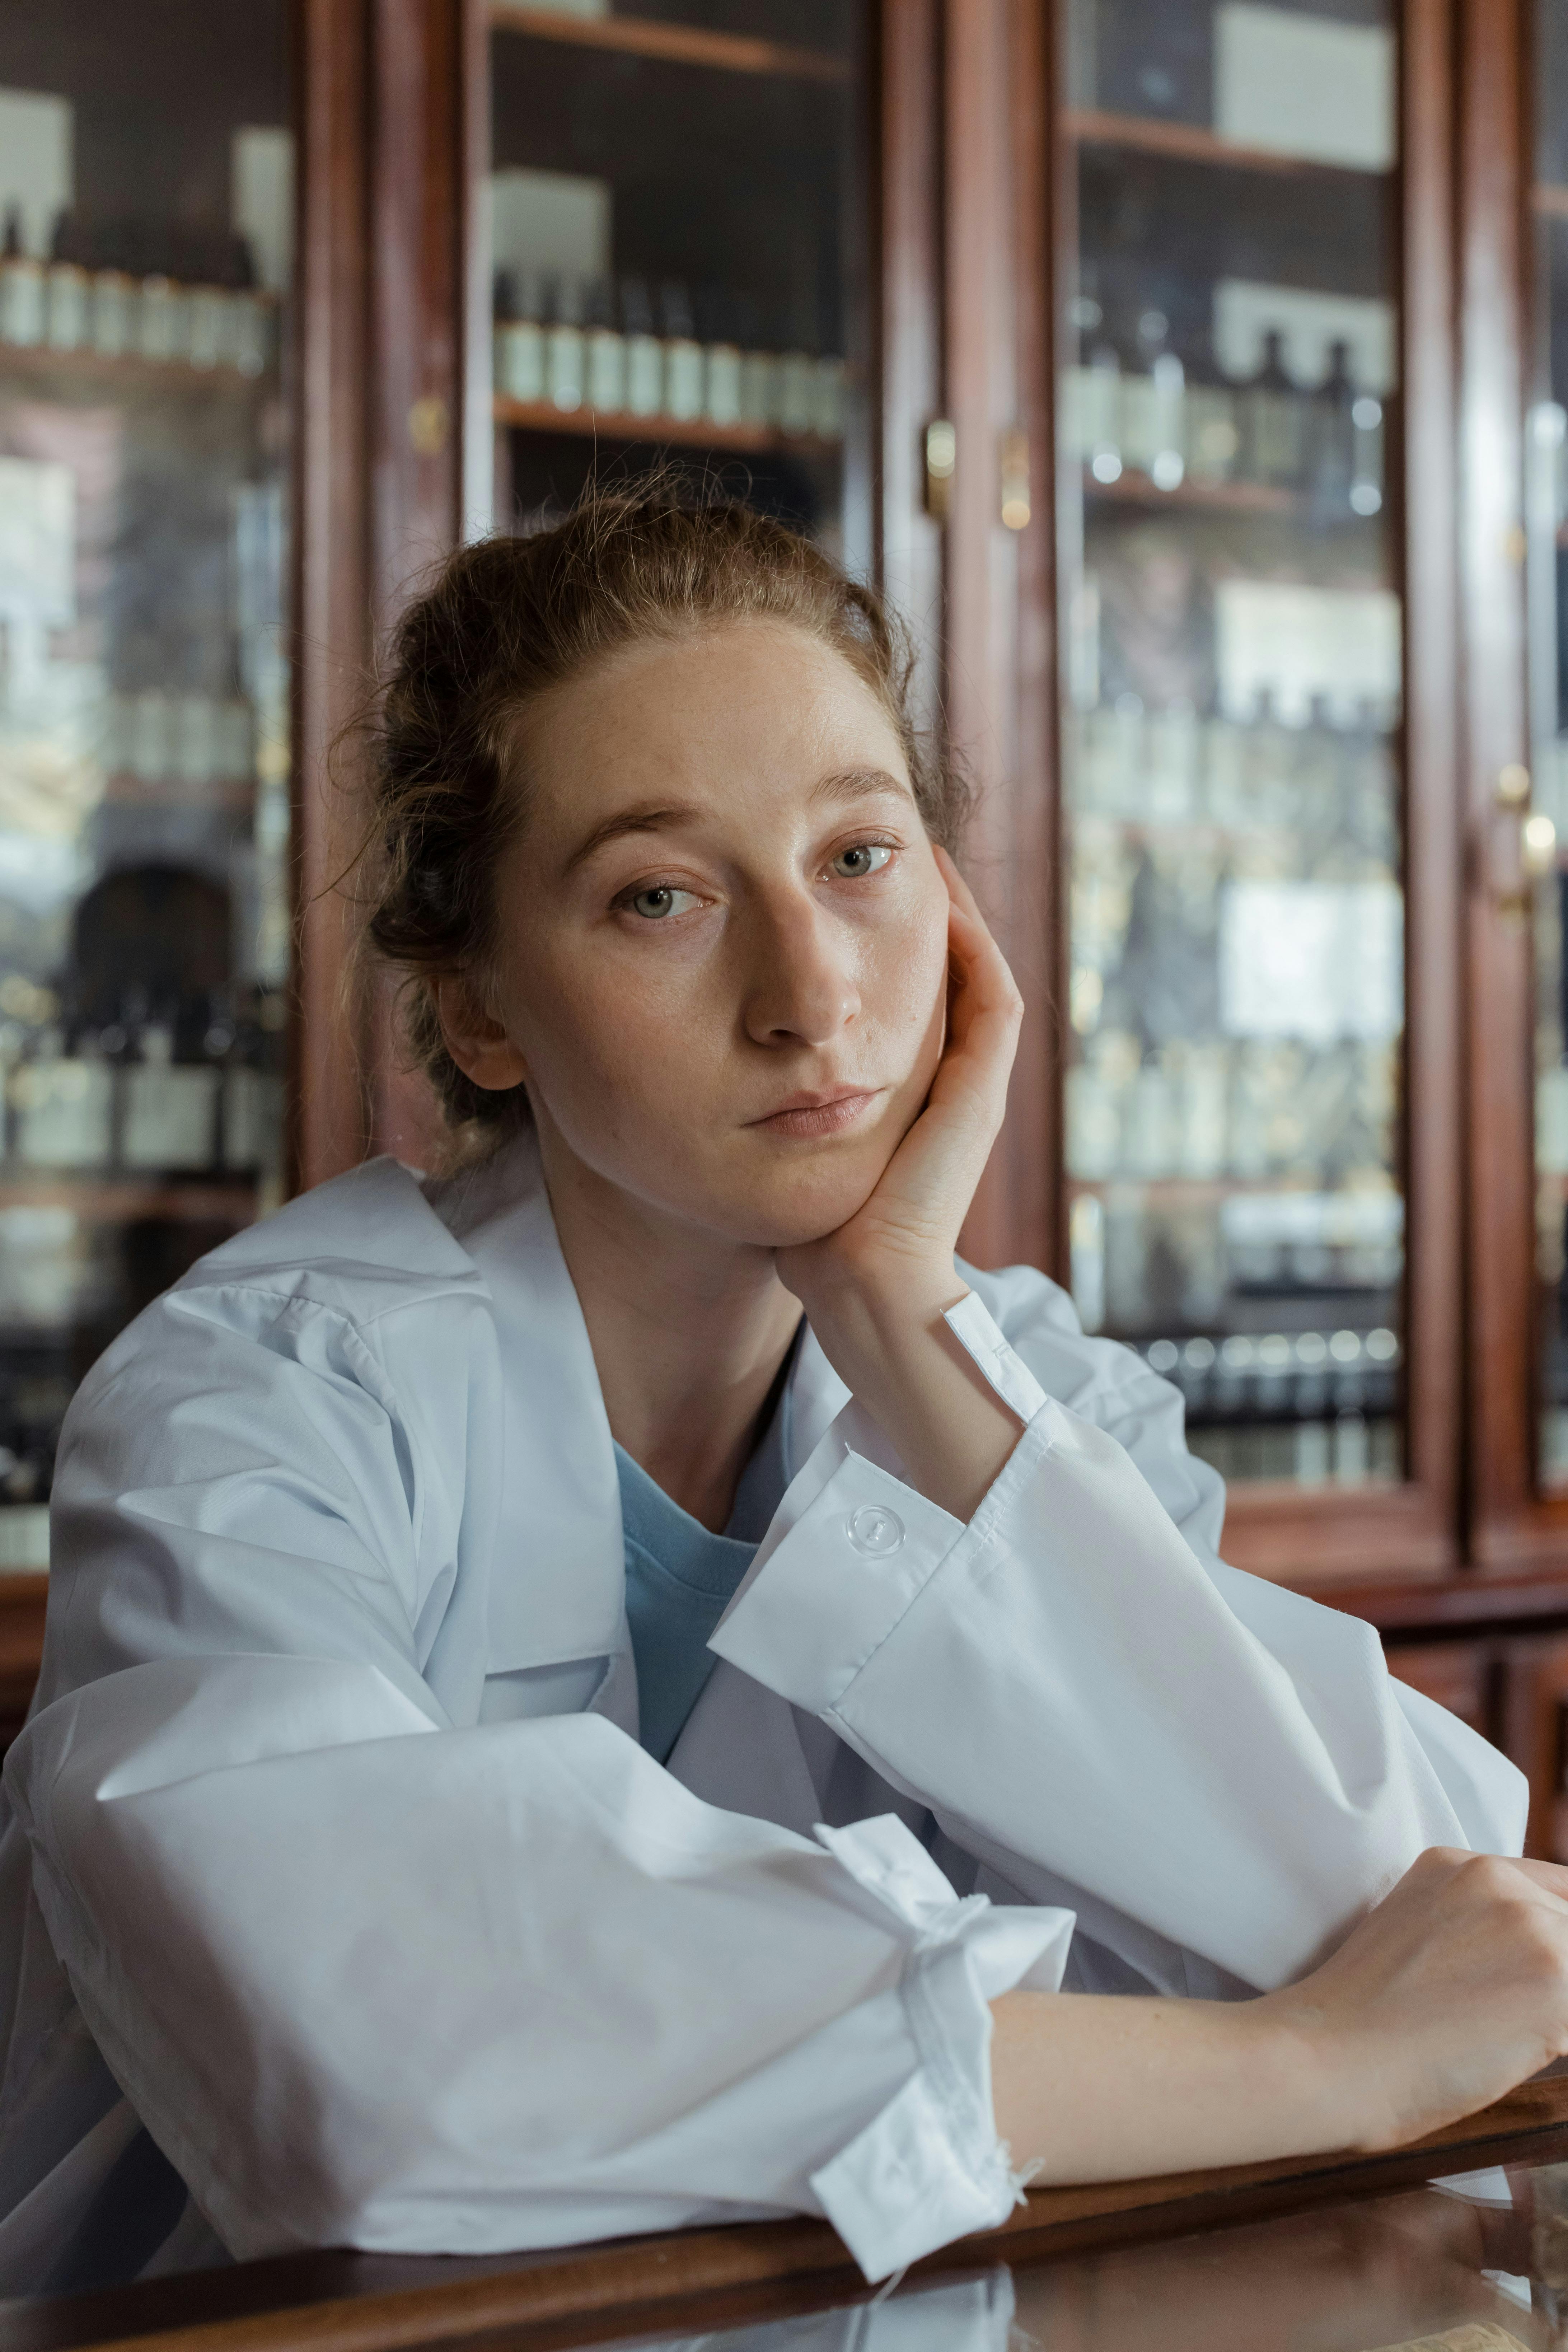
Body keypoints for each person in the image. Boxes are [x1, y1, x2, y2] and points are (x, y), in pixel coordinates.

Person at [0, 489, 1561, 2300]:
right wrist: (1306, 2068)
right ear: (483, 1012)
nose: (812, 997)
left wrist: (899, 1314)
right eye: (659, 895)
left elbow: (1431, 1930)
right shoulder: (257, 1407)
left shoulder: (1020, 1387)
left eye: (858, 858)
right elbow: (398, 2067)